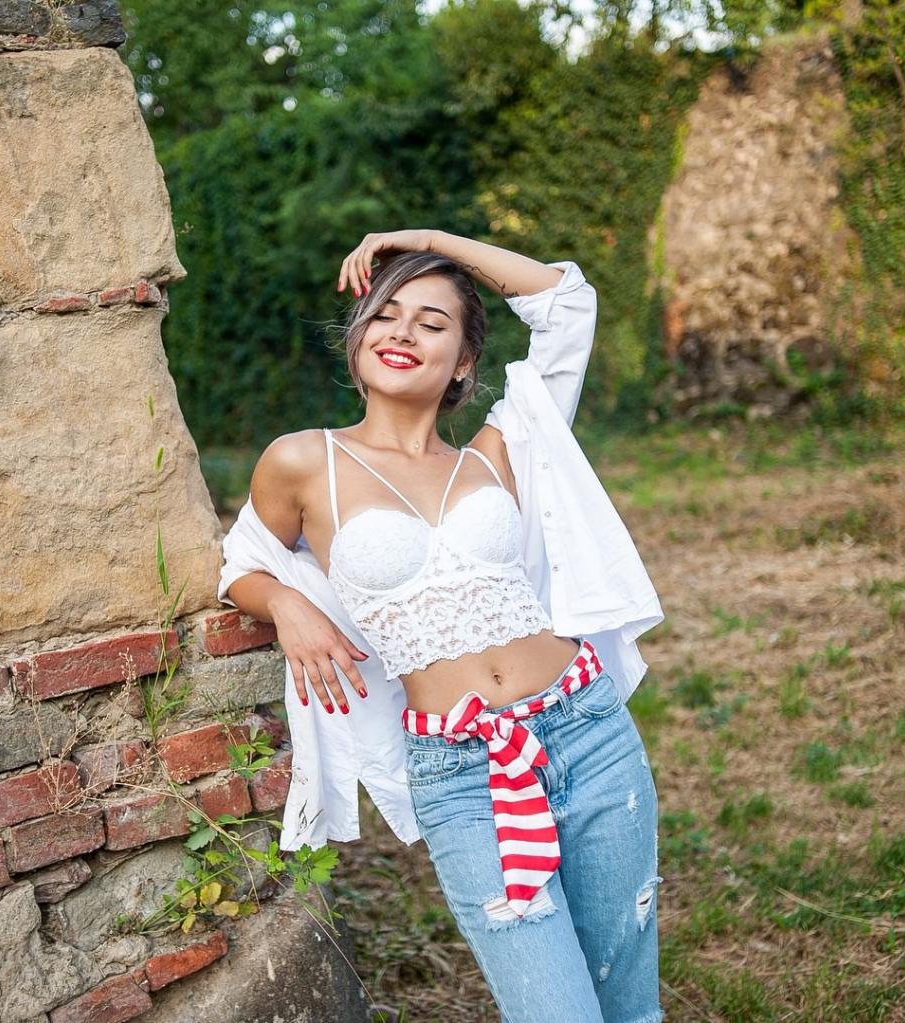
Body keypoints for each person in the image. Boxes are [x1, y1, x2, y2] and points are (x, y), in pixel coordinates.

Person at [217, 229, 666, 1023]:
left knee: (629, 1004)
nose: (402, 332)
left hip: (588, 731)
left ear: (463, 361)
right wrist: (286, 604)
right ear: (359, 338)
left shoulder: (500, 451)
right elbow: (240, 564)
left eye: (431, 322)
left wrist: (424, 241)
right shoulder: (304, 462)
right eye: (386, 314)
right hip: (462, 768)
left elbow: (565, 302)